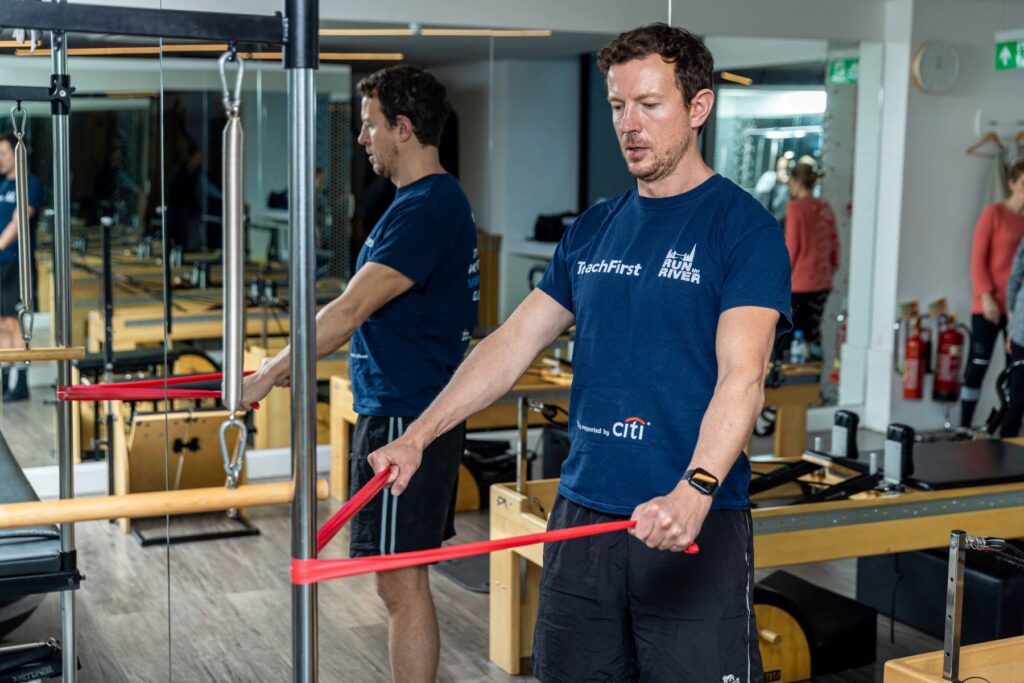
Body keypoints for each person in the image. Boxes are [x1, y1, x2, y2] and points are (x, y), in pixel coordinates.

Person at [367, 24, 791, 682]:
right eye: (618, 106)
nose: (630, 124)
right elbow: (510, 344)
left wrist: (696, 487)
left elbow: (745, 374)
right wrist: (420, 436)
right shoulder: (594, 228)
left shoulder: (743, 230)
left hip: (687, 519)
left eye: (650, 105)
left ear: (699, 107)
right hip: (584, 517)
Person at [241, 65, 479, 683]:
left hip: (408, 415)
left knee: (401, 584)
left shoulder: (428, 207)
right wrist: (295, 360)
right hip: (396, 405)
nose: (361, 138)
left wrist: (268, 371)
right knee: (394, 582)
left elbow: (348, 312)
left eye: (370, 125)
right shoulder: (415, 204)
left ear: (403, 128)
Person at [961, 159, 1024, 428]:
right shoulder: (994, 214)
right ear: (1012, 183)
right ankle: (965, 424)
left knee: (1014, 372)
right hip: (987, 305)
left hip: (1015, 311)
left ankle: (1002, 424)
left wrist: (1012, 311)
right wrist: (986, 295)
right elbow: (977, 260)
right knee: (978, 366)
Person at [0, 132, 42, 402]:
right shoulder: (2, 185)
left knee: (17, 325)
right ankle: (4, 380)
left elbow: (20, 220)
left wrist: (0, 244)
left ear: (17, 154)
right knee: (1, 325)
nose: (0, 159)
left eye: (4, 153)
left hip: (18, 264)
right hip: (0, 265)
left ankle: (22, 383)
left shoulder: (31, 183)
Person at [782, 162, 839, 359]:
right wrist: (830, 270)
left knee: (792, 337)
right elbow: (834, 245)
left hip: (798, 284)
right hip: (822, 283)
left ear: (797, 182)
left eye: (790, 183)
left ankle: (795, 385)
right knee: (813, 333)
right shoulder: (825, 207)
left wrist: (780, 277)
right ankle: (814, 381)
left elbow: (792, 247)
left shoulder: (795, 208)